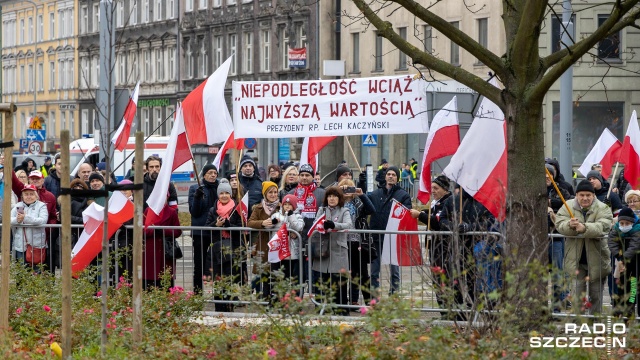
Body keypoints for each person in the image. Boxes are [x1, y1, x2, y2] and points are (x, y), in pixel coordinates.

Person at [556, 180, 613, 315]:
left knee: (596, 296)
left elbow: (604, 226)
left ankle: (595, 325)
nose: (585, 198)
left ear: (593, 195)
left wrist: (584, 228)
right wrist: (570, 225)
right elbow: (559, 225)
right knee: (577, 297)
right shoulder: (567, 206)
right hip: (575, 261)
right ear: (576, 195)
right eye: (582, 195)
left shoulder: (603, 208)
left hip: (597, 260)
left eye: (588, 195)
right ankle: (577, 325)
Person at [362, 166, 412, 295]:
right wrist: (362, 184)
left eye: (394, 175)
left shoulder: (403, 195)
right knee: (374, 270)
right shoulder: (375, 194)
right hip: (376, 236)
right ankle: (375, 296)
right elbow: (366, 206)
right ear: (385, 177)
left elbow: (406, 213)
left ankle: (394, 295)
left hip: (393, 238)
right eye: (389, 174)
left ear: (397, 178)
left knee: (394, 270)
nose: (391, 176)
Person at [310, 186, 353, 314]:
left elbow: (348, 225)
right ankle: (321, 308)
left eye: (334, 196)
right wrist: (322, 225)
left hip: (338, 250)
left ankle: (341, 308)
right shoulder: (322, 210)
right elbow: (315, 224)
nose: (331, 198)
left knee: (339, 281)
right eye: (329, 196)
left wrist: (334, 225)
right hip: (322, 249)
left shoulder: (344, 211)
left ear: (339, 198)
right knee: (321, 280)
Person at [205, 179, 243, 312]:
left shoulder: (237, 209)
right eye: (222, 193)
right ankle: (219, 307)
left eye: (227, 192)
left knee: (230, 279)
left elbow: (241, 228)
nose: (224, 195)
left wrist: (227, 225)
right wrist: (216, 225)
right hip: (217, 250)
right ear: (218, 195)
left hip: (232, 249)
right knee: (218, 280)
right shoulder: (212, 210)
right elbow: (206, 228)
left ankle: (229, 307)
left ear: (231, 194)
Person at [289, 164, 326, 293]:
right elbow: (286, 216)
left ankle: (318, 301)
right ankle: (297, 301)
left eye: (307, 175)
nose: (304, 178)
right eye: (302, 175)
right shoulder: (291, 193)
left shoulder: (322, 193)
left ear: (313, 177)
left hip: (315, 239)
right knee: (297, 274)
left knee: (316, 273)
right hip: (296, 239)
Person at [339, 178, 375, 306]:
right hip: (341, 242)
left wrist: (362, 194)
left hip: (357, 242)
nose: (347, 191)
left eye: (349, 188)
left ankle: (370, 302)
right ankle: (343, 303)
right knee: (342, 273)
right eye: (344, 188)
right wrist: (337, 192)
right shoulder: (337, 203)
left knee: (362, 274)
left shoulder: (358, 203)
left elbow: (371, 210)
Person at [545, 164, 573, 311]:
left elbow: (567, 203)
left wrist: (550, 203)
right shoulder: (535, 190)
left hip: (556, 237)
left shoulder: (559, 190)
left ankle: (556, 308)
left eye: (549, 174)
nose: (546, 178)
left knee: (557, 274)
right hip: (538, 240)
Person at [247, 181, 281, 300]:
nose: (273, 195)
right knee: (265, 272)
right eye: (270, 192)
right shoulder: (258, 208)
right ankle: (265, 297)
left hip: (277, 243)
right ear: (265, 194)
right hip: (263, 243)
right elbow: (250, 222)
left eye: (275, 192)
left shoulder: (281, 206)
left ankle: (276, 298)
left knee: (276, 271)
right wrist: (262, 223)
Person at [188, 164, 219, 293]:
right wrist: (197, 197)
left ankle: (219, 293)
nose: (213, 175)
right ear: (204, 174)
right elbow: (194, 212)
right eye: (210, 173)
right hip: (200, 232)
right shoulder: (195, 188)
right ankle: (197, 292)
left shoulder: (220, 188)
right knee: (199, 264)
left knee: (218, 264)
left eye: (215, 173)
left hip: (217, 232)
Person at [142, 194, 182, 290]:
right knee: (149, 281)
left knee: (166, 281)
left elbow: (177, 231)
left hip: (166, 252)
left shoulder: (172, 212)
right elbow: (142, 230)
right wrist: (153, 230)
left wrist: (164, 231)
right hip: (151, 251)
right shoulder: (148, 211)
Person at [608, 207, 640, 318]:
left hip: (635, 266)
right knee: (620, 287)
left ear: (632, 222)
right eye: (622, 223)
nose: (624, 225)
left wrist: (623, 259)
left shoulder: (637, 229)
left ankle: (630, 310)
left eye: (627, 223)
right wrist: (619, 257)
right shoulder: (616, 228)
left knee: (633, 289)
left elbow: (634, 246)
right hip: (621, 266)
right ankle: (619, 312)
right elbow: (611, 242)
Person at [270, 194, 305, 292]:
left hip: (292, 253)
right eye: (285, 204)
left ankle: (293, 299)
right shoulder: (276, 215)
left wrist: (291, 216)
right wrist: (272, 222)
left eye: (290, 204)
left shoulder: (298, 216)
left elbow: (299, 227)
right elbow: (267, 228)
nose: (287, 206)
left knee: (292, 278)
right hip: (279, 252)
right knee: (279, 277)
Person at [11, 184, 48, 267]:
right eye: (26, 194)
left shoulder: (41, 206)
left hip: (36, 245)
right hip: (20, 244)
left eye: (31, 194)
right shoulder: (18, 206)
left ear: (36, 196)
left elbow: (42, 220)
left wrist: (25, 218)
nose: (28, 196)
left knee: (36, 271)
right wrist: (17, 220)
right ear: (22, 196)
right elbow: (9, 219)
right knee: (22, 271)